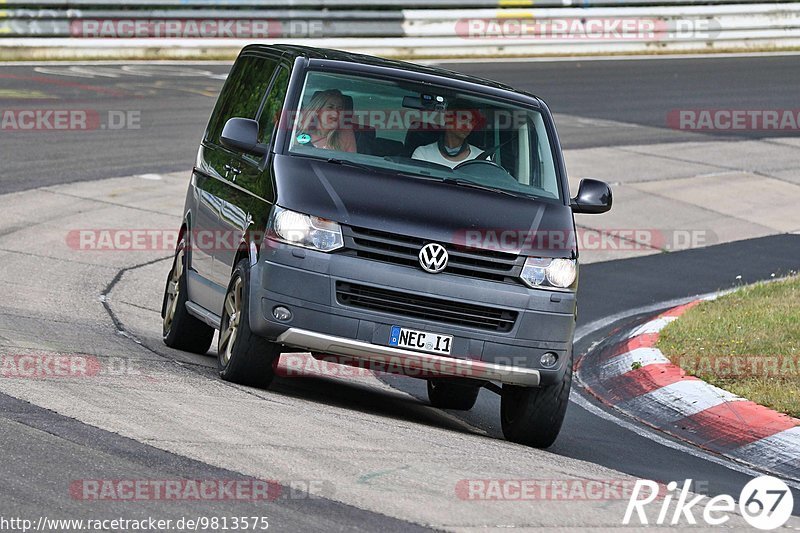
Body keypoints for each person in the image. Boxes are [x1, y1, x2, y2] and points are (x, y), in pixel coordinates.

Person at [412, 103, 483, 168]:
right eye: (463, 118)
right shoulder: (423, 154)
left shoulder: (482, 158)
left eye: (472, 121)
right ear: (447, 117)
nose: (468, 126)